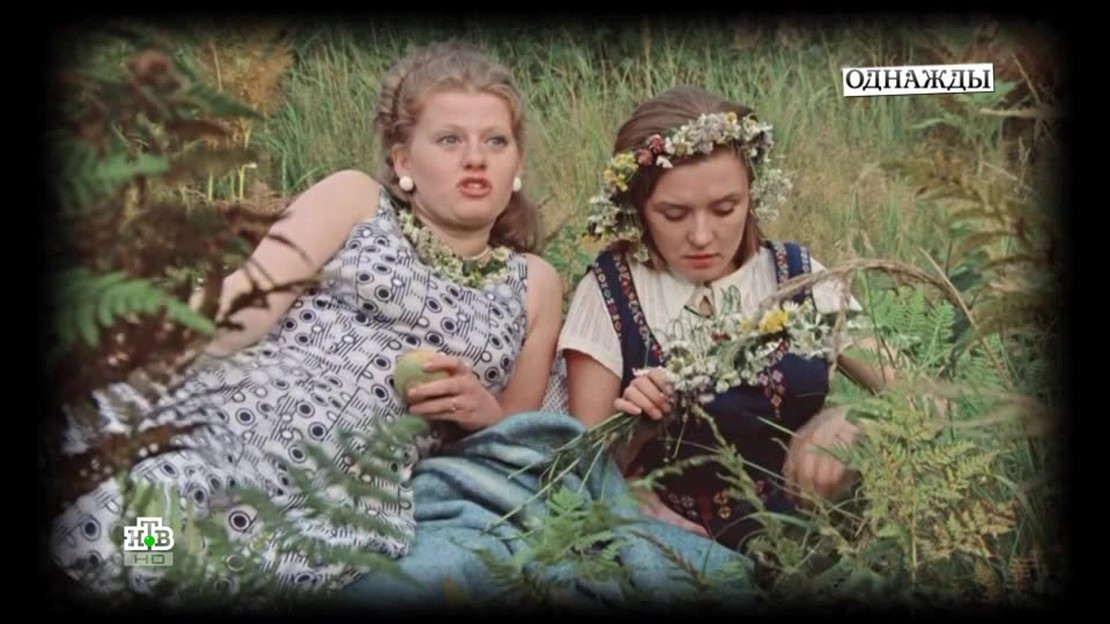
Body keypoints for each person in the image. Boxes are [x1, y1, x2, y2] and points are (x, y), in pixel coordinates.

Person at [48, 40, 565, 604]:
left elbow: (519, 435)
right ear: (402, 162)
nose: (476, 158)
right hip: (239, 420)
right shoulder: (356, 200)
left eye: (495, 141)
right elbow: (244, 303)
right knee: (143, 527)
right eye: (449, 140)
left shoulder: (535, 284)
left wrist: (482, 412)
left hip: (342, 490)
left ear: (517, 164)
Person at [558, 86, 895, 553]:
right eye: (674, 214)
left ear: (752, 196)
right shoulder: (611, 291)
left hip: (812, 546)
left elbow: (926, 395)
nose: (702, 236)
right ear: (638, 208)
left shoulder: (796, 276)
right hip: (678, 550)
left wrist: (851, 418)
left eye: (724, 209)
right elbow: (582, 473)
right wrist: (636, 433)